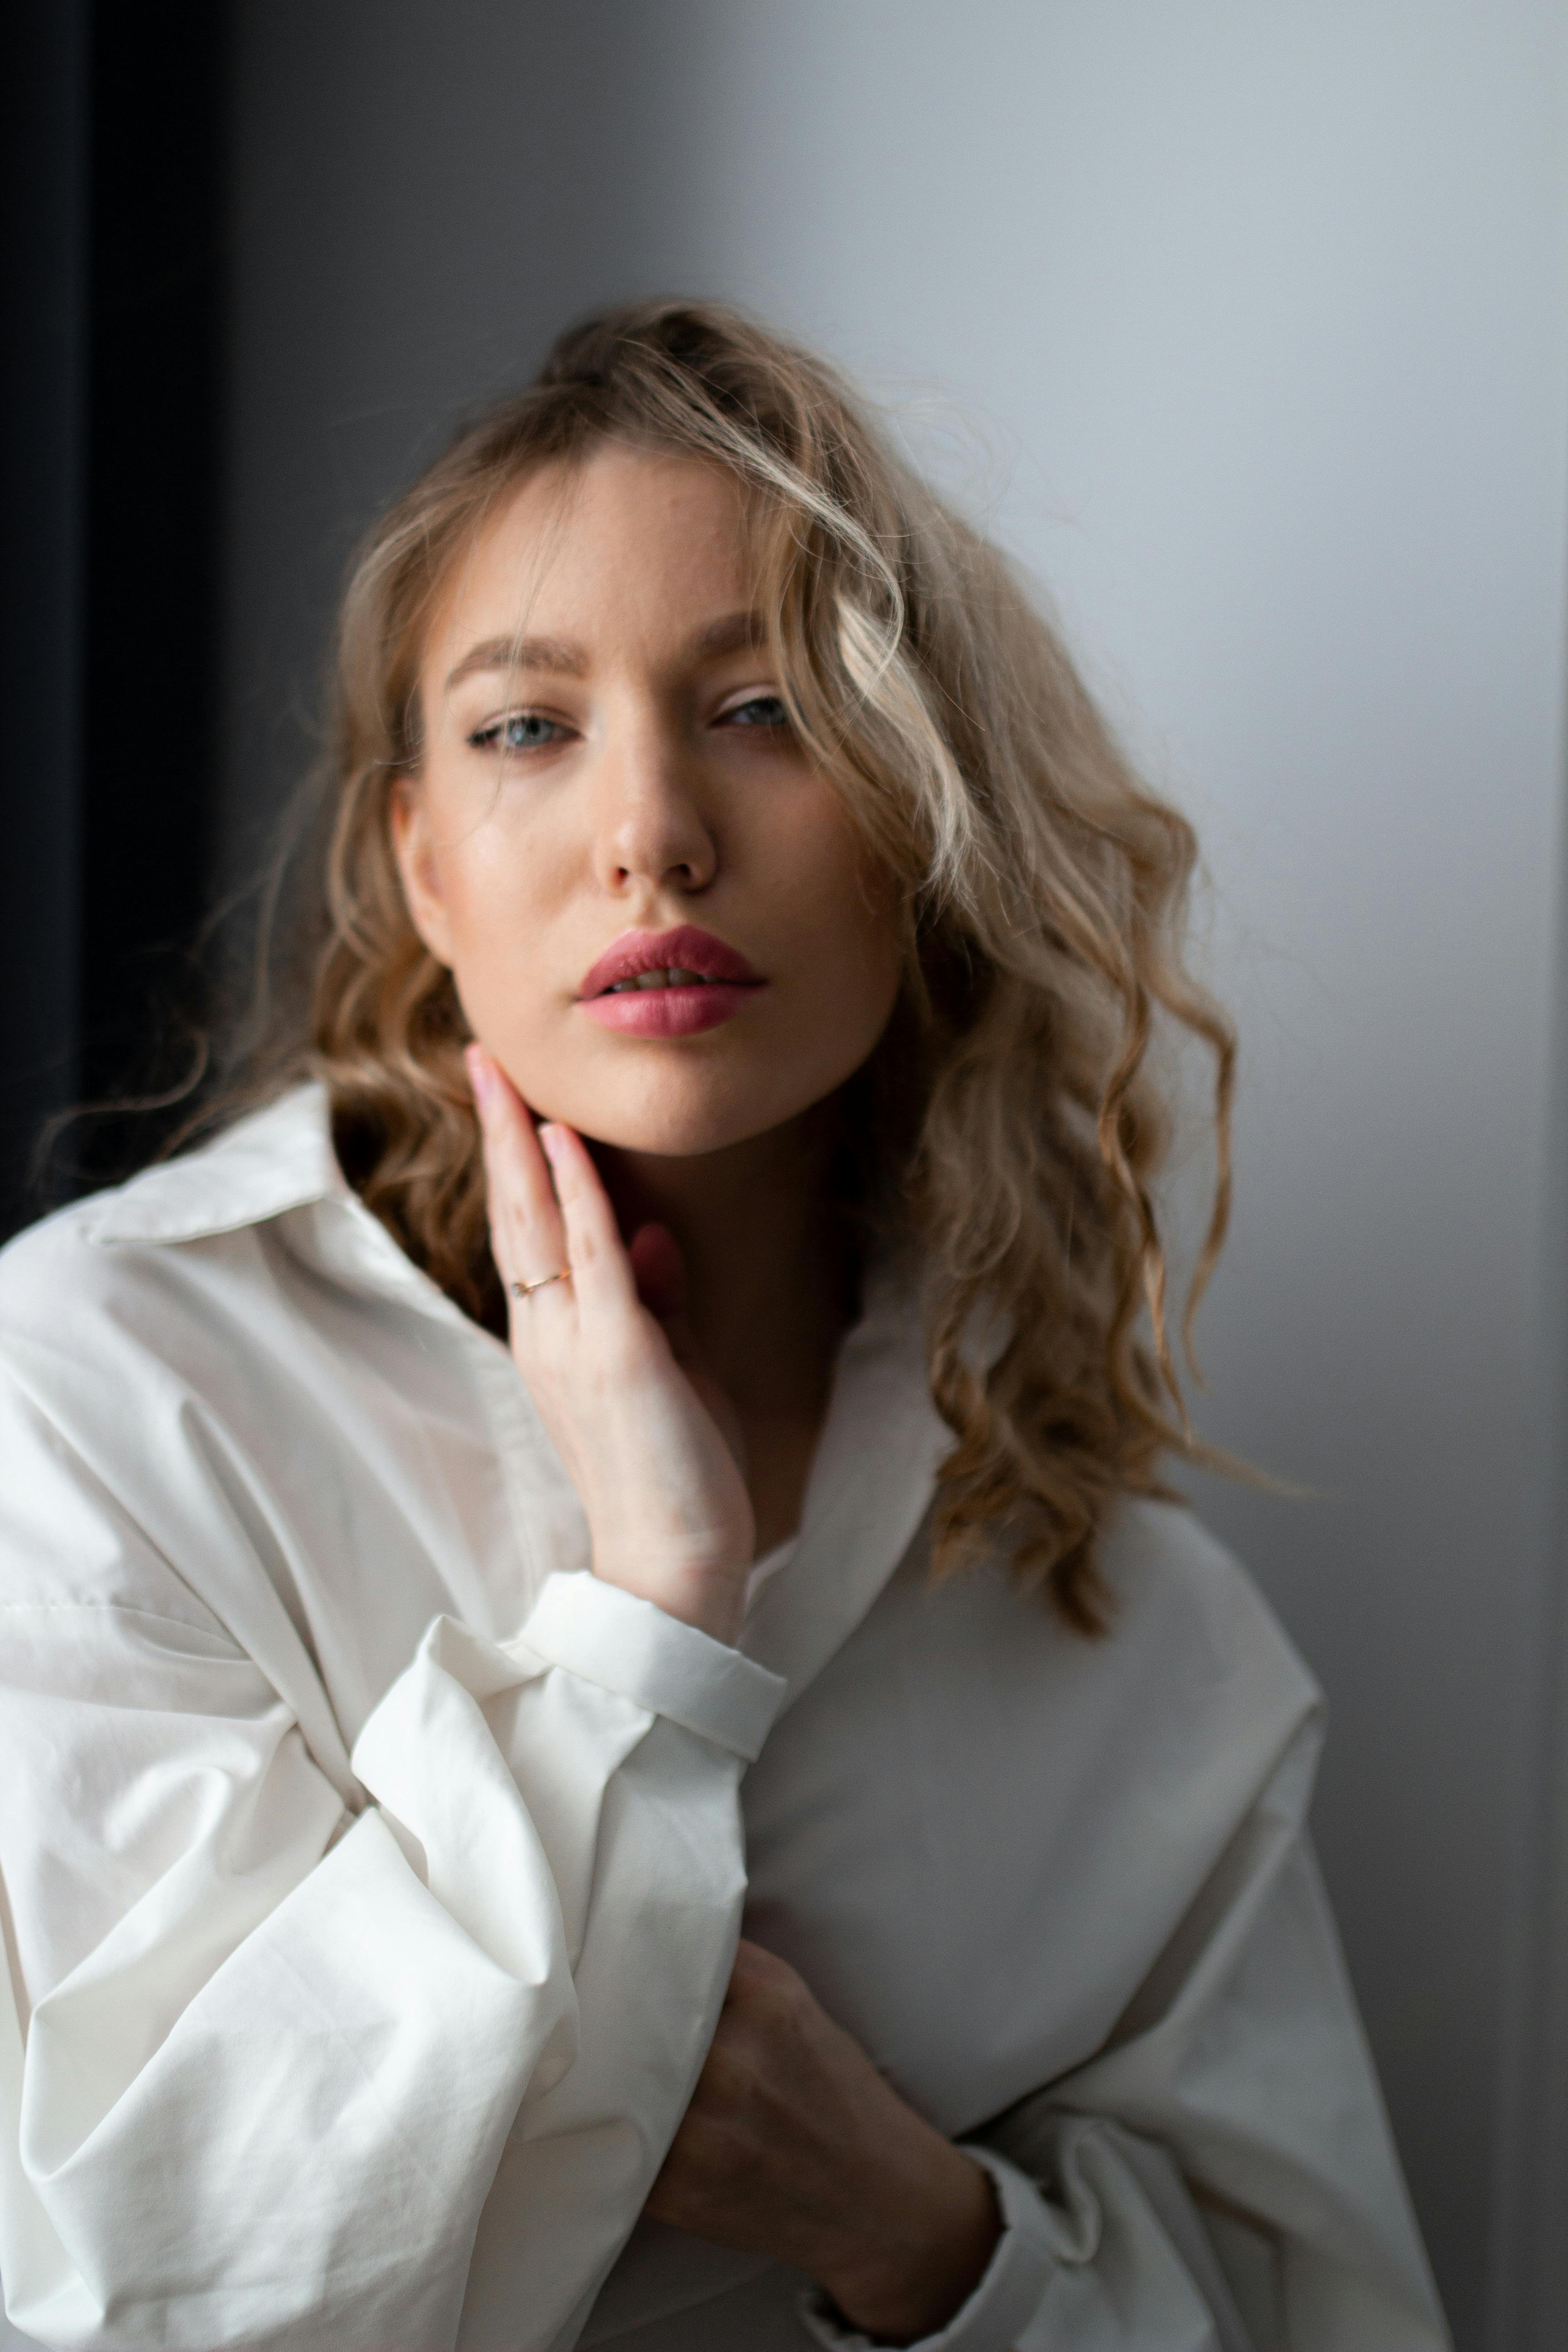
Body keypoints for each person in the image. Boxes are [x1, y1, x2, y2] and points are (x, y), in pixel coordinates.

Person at [0, 300, 1448, 2352]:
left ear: (923, 820)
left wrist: (928, 2239)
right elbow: (127, 2294)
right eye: (525, 727)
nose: (651, 832)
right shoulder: (104, 1393)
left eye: (766, 708)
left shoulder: (1140, 1639)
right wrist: (643, 1626)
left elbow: (1338, 2316)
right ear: (422, 860)